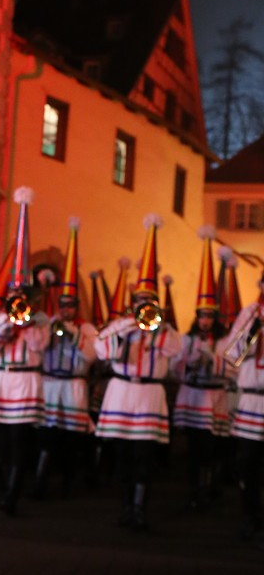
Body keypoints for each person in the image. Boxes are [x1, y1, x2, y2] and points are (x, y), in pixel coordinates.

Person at [94, 216, 182, 530]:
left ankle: (139, 509)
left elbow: (177, 352)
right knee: (123, 457)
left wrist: (157, 327)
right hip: (121, 393)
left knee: (144, 457)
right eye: (140, 302)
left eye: (150, 303)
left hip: (149, 395)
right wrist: (128, 326)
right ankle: (124, 508)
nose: (145, 307)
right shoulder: (121, 325)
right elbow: (101, 350)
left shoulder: (165, 330)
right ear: (133, 303)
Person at [0, 188, 49, 516]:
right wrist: (8, 322)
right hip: (2, 384)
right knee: (2, 442)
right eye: (14, 292)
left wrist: (28, 321)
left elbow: (39, 345)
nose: (18, 297)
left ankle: (12, 494)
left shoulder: (41, 320)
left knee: (20, 442)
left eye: (23, 293)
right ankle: (4, 486)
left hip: (26, 384)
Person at [35, 218, 96, 499]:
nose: (66, 309)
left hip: (74, 385)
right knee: (47, 436)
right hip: (50, 383)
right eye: (63, 305)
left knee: (72, 437)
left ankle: (69, 483)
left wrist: (72, 336)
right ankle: (41, 482)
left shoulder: (86, 328)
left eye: (71, 305)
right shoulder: (50, 323)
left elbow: (91, 356)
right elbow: (37, 348)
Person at [171, 229, 231, 510]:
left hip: (213, 397)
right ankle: (195, 490)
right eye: (202, 316)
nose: (205, 320)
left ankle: (209, 486)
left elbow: (233, 367)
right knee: (194, 448)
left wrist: (212, 359)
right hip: (192, 395)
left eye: (209, 316)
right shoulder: (187, 338)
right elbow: (174, 367)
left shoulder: (224, 340)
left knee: (212, 447)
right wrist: (188, 362)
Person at [223, 270, 264, 539]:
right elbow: (233, 355)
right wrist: (252, 330)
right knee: (249, 464)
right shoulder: (250, 312)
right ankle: (249, 520)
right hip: (252, 399)